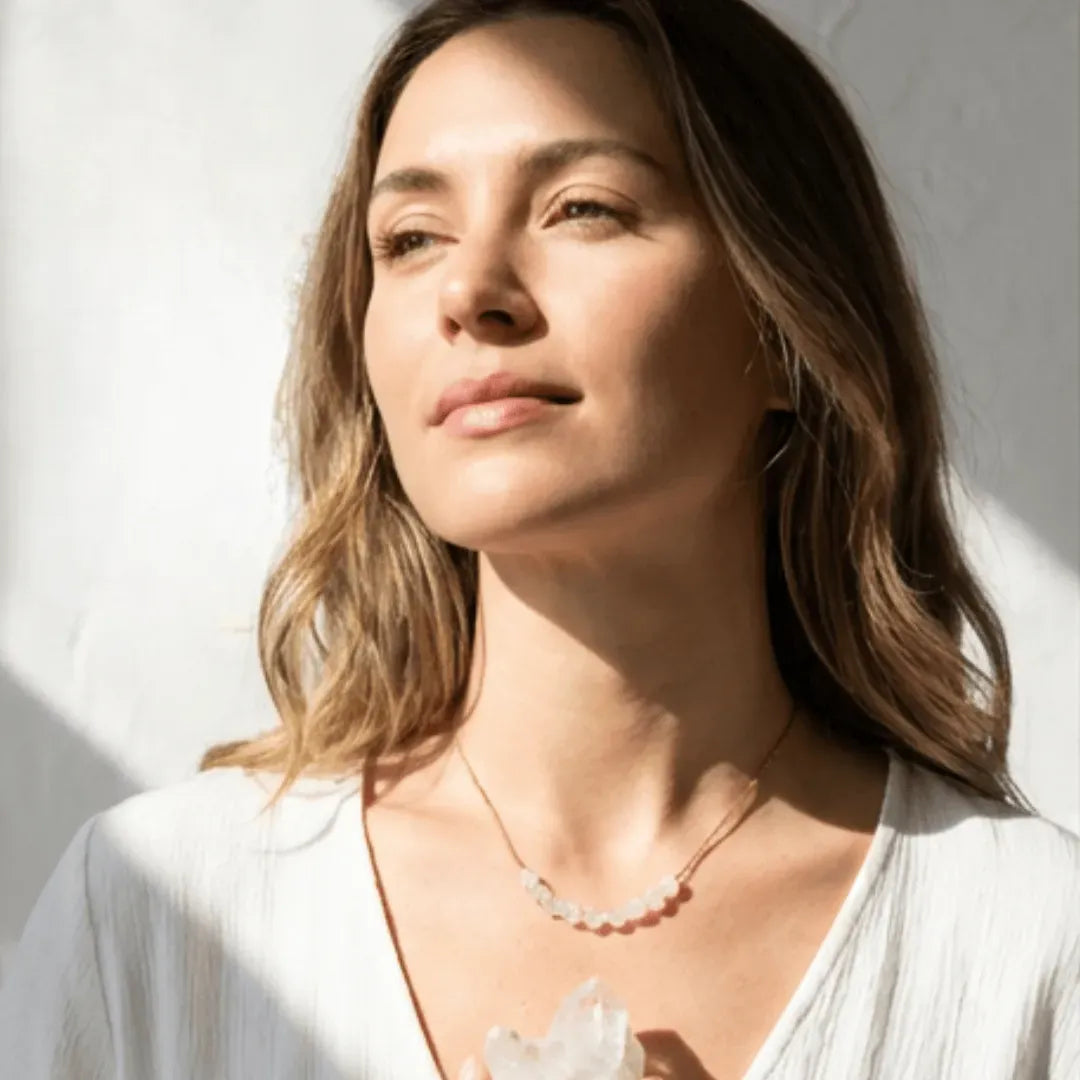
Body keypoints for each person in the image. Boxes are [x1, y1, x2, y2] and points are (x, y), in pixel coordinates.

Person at [1, 0, 1077, 1077]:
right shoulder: (152, 919)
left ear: (787, 321)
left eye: (583, 209)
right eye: (411, 239)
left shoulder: (1027, 948)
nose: (470, 293)